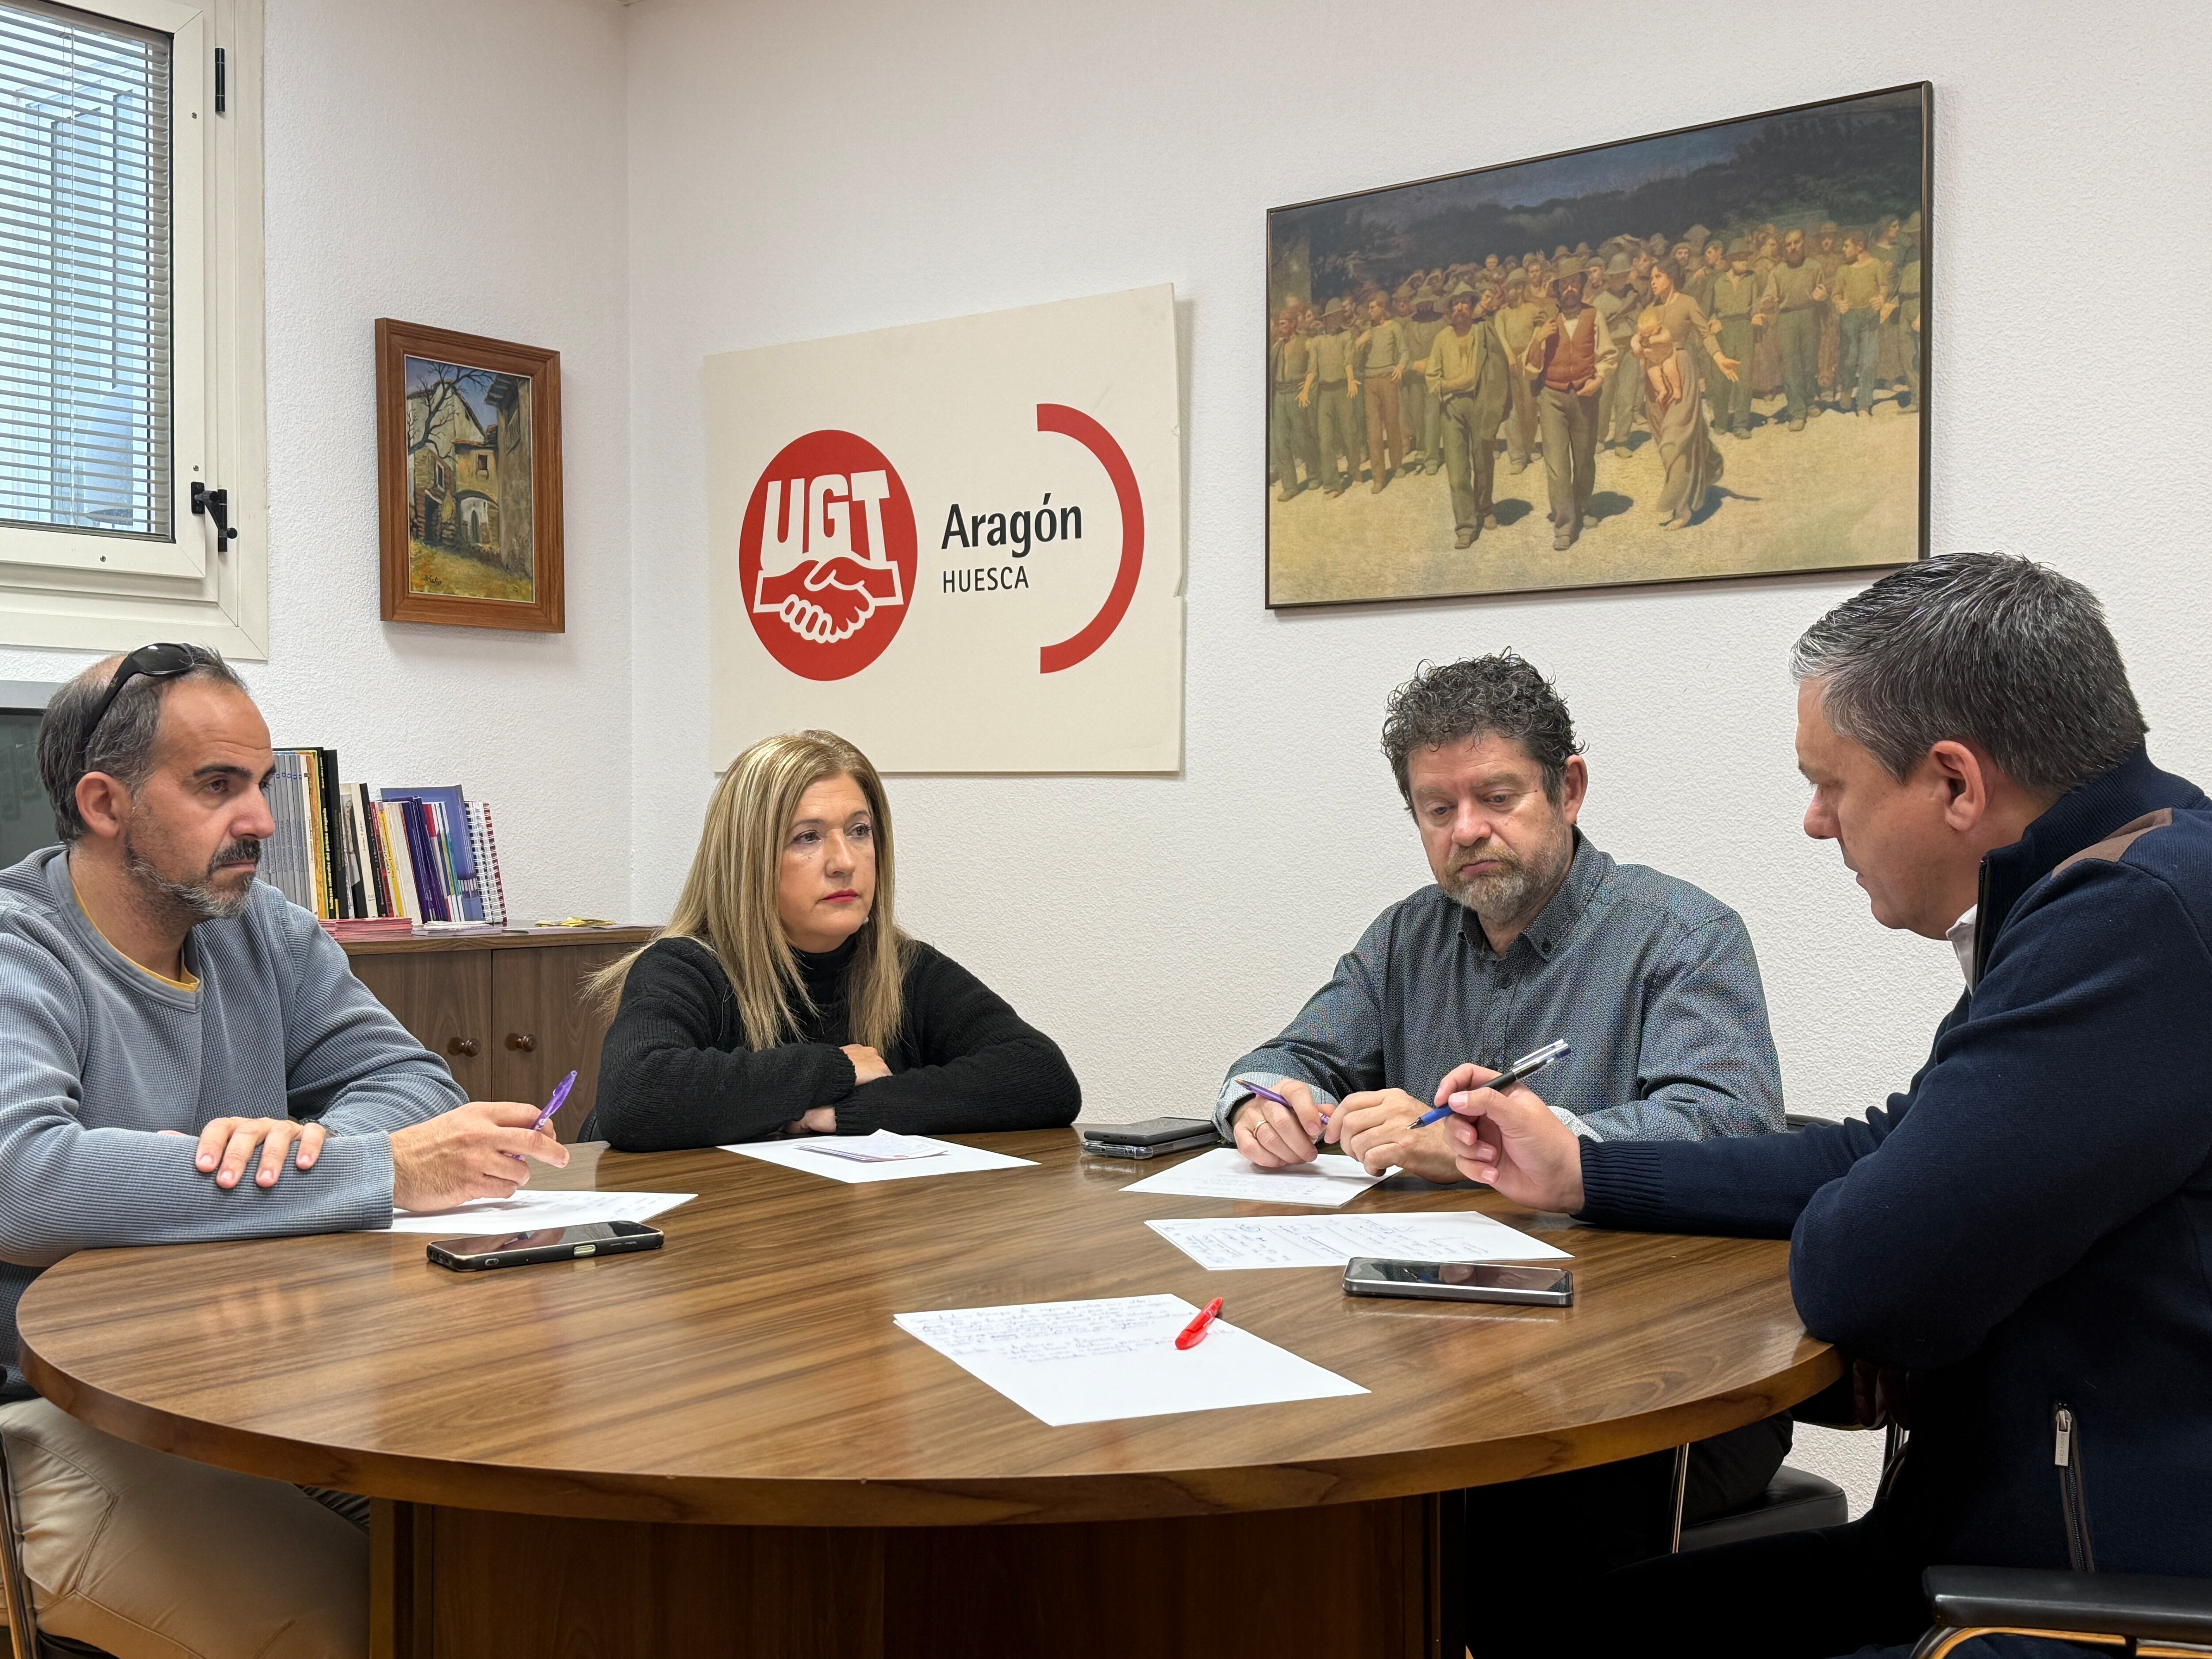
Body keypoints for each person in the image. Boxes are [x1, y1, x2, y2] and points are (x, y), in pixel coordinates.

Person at [1444, 555, 2212, 1659]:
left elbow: (1872, 1272)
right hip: (1988, 1554)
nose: (1813, 822)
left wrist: (1894, 1223)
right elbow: (1884, 1150)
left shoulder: (2131, 924)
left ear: (1953, 781)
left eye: (1832, 783)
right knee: (1541, 1623)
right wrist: (1580, 1168)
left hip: (2074, 1610)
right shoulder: (2122, 880)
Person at [0, 644, 568, 1659]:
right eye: (217, 785)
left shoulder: (263, 927)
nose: (261, 820)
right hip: (65, 1409)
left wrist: (303, 1142)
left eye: (260, 784)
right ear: (103, 802)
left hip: (263, 1383)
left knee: (520, 1567)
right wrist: (371, 1169)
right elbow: (25, 1183)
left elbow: (417, 1087)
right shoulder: (16, 948)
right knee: (390, 1618)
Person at [1211, 653, 1790, 1628]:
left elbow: (1727, 1126)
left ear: (1567, 787)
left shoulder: (1682, 933)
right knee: (1266, 1459)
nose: (1467, 830)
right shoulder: (1408, 936)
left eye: (1496, 795)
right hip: (1431, 1346)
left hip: (1647, 1378)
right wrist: (1265, 1105)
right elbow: (1287, 1053)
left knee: (1486, 1518)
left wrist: (1496, 1146)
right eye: (1436, 810)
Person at [584, 730, 1079, 1149]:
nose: (844, 861)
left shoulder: (902, 967)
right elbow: (637, 1095)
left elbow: (1041, 1077)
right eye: (807, 837)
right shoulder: (686, 967)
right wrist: (836, 1068)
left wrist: (855, 1113)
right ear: (746, 859)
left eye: (860, 831)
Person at [1522, 273, 1618, 551]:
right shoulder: (1546, 320)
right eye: (1564, 285)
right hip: (1552, 397)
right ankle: (1565, 524)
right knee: (1557, 464)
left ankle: (1584, 507)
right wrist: (1539, 339)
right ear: (1556, 290)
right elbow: (1528, 363)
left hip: (1585, 397)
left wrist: (1598, 379)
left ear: (1583, 286)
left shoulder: (1594, 315)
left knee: (1585, 457)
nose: (1570, 289)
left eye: (1575, 283)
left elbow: (1608, 355)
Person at [1426, 281, 1512, 547]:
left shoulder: (1483, 331)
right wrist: (1456, 384)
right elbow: (1432, 378)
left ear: (1472, 306)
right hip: (1452, 408)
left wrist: (1495, 401)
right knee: (1457, 470)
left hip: (1480, 403)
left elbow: (1499, 366)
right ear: (1449, 310)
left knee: (1484, 460)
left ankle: (1485, 508)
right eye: (1455, 304)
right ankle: (1465, 525)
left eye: (1464, 302)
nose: (1460, 307)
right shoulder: (1442, 338)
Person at [1634, 316, 1726, 529]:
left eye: (1659, 278)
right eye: (1652, 278)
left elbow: (1705, 334)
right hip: (1654, 376)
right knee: (1666, 442)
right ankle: (1702, 475)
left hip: (1679, 367)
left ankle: (1681, 506)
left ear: (1671, 279)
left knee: (1674, 442)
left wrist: (1720, 359)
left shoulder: (1686, 302)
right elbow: (1636, 349)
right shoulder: (1648, 308)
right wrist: (1640, 350)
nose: (1654, 282)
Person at [1768, 228, 1828, 429]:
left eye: (1796, 243)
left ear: (1804, 242)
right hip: (1787, 318)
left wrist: (1823, 297)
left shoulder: (1815, 267)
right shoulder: (1777, 272)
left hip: (1810, 315)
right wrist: (1768, 302)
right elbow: (1767, 298)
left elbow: (1822, 292)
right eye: (1788, 244)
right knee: (1791, 365)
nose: (1793, 248)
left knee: (1810, 361)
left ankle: (1810, 401)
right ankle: (1797, 412)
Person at [1350, 292, 1410, 494]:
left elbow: (1405, 351)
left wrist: (1400, 368)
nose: (1370, 311)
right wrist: (1359, 345)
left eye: (1373, 307)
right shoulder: (1367, 332)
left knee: (1392, 424)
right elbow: (1356, 364)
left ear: (1384, 308)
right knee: (1373, 431)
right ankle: (1378, 477)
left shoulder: (1395, 328)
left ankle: (1398, 464)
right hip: (1370, 383)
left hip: (1388, 379)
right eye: (1369, 308)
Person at [1302, 299, 1359, 497]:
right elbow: (1312, 369)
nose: (1337, 320)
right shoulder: (1318, 342)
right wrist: (1306, 390)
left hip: (1343, 390)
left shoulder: (1346, 336)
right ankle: (1332, 484)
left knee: (1350, 434)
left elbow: (1348, 362)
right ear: (1326, 320)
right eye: (1333, 317)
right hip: (1325, 394)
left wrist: (1351, 381)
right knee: (1325, 441)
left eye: (1339, 317)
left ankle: (1355, 469)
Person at [1832, 232, 1894, 416]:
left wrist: (1881, 298)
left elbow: (1884, 286)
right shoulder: (1843, 270)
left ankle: (1864, 405)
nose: (1843, 250)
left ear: (1860, 247)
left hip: (1870, 318)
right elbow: (1836, 294)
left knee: (1869, 362)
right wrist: (1839, 303)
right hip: (1849, 319)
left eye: (1846, 246)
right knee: (1849, 360)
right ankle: (1846, 390)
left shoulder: (1877, 265)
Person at [1709, 238, 1765, 438]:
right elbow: (1712, 311)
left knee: (1744, 377)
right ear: (1732, 261)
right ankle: (1722, 421)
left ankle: (1741, 424)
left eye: (1746, 259)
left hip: (1744, 328)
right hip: (1724, 330)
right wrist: (1714, 321)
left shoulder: (1751, 279)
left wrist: (1757, 316)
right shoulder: (1719, 282)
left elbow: (1756, 304)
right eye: (1741, 259)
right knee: (1722, 377)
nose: (1745, 262)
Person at [1267, 307, 1316, 500]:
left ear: (1293, 324)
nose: (1280, 328)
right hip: (1280, 395)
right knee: (1280, 441)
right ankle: (1290, 486)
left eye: (1283, 324)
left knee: (1302, 437)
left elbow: (1315, 366)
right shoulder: (1277, 347)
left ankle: (1314, 474)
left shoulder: (1306, 343)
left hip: (1297, 394)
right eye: (1279, 324)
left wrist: (1308, 387)